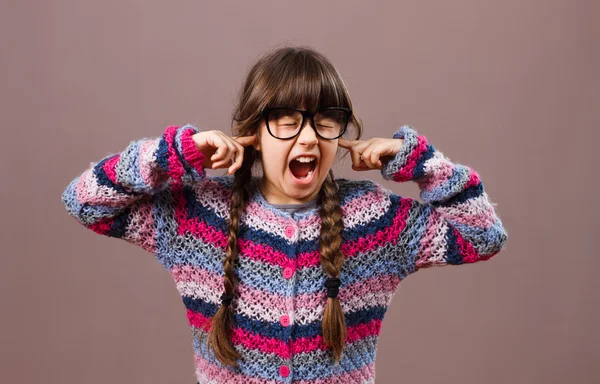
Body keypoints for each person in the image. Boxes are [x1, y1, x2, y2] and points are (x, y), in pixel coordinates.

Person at [61, 45, 508, 384]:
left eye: (325, 119)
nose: (309, 139)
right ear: (253, 132)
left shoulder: (374, 221)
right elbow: (86, 200)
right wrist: (175, 154)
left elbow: (483, 236)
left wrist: (419, 162)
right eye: (286, 121)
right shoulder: (197, 216)